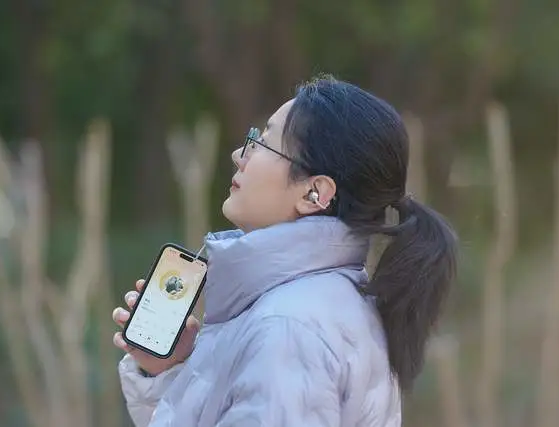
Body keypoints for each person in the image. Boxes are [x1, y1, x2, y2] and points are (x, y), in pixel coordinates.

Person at [111, 75, 457, 427]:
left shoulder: (288, 328)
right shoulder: (321, 305)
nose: (239, 156)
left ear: (315, 192)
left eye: (262, 144)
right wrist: (171, 371)